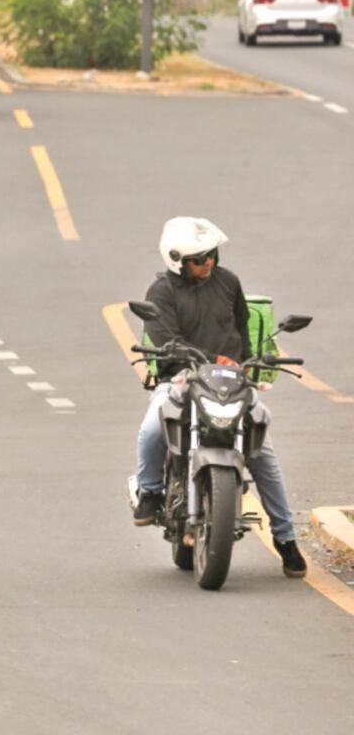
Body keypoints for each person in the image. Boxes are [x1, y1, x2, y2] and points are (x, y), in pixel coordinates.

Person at [132, 216, 307, 577]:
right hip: (180, 378)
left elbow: (241, 327)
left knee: (264, 453)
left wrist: (247, 360)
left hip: (229, 379)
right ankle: (149, 491)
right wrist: (182, 360)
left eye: (211, 254)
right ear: (176, 260)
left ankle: (286, 539)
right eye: (199, 258)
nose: (208, 262)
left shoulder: (228, 282)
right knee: (152, 429)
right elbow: (164, 335)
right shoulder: (162, 292)